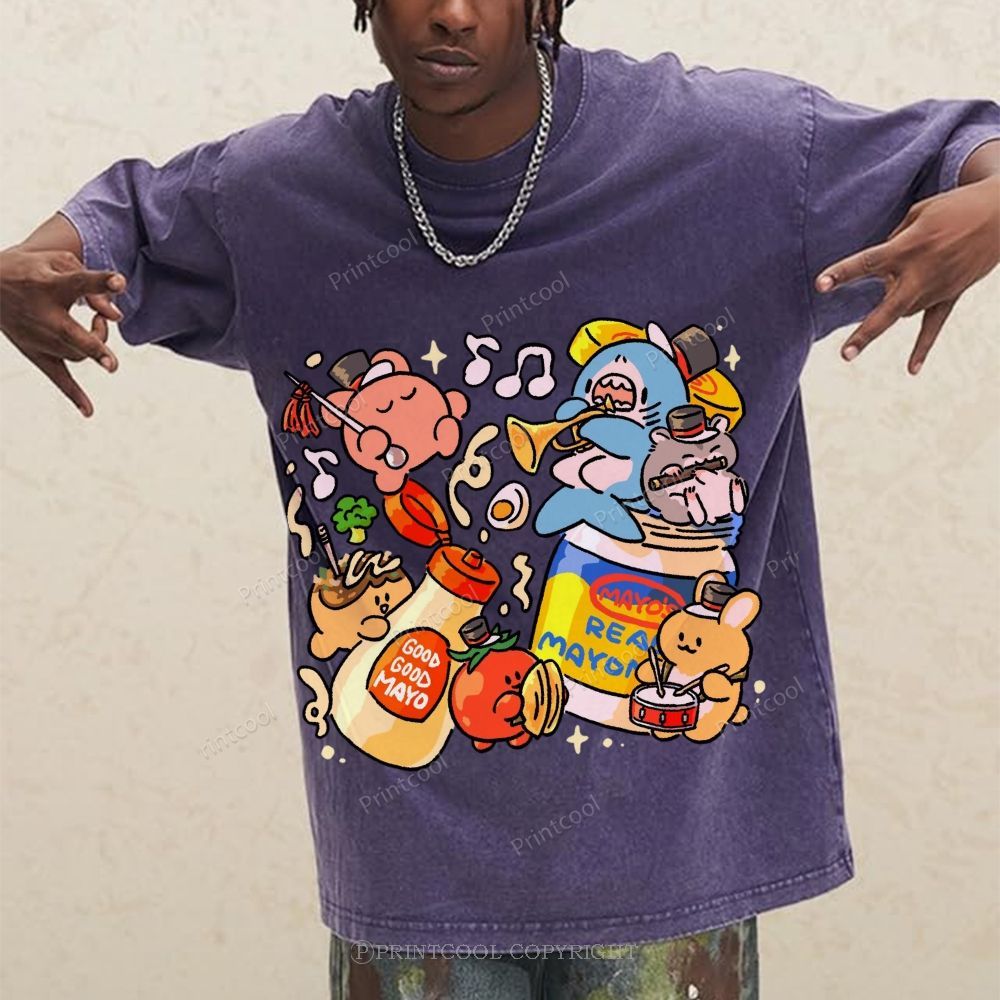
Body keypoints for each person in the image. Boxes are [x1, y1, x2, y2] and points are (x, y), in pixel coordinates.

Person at [2, 1, 997, 997]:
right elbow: (120, 221)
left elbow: (963, 147)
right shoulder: (276, 195)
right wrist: (21, 271)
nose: (450, 11)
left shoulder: (739, 157)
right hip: (410, 865)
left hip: (667, 867)